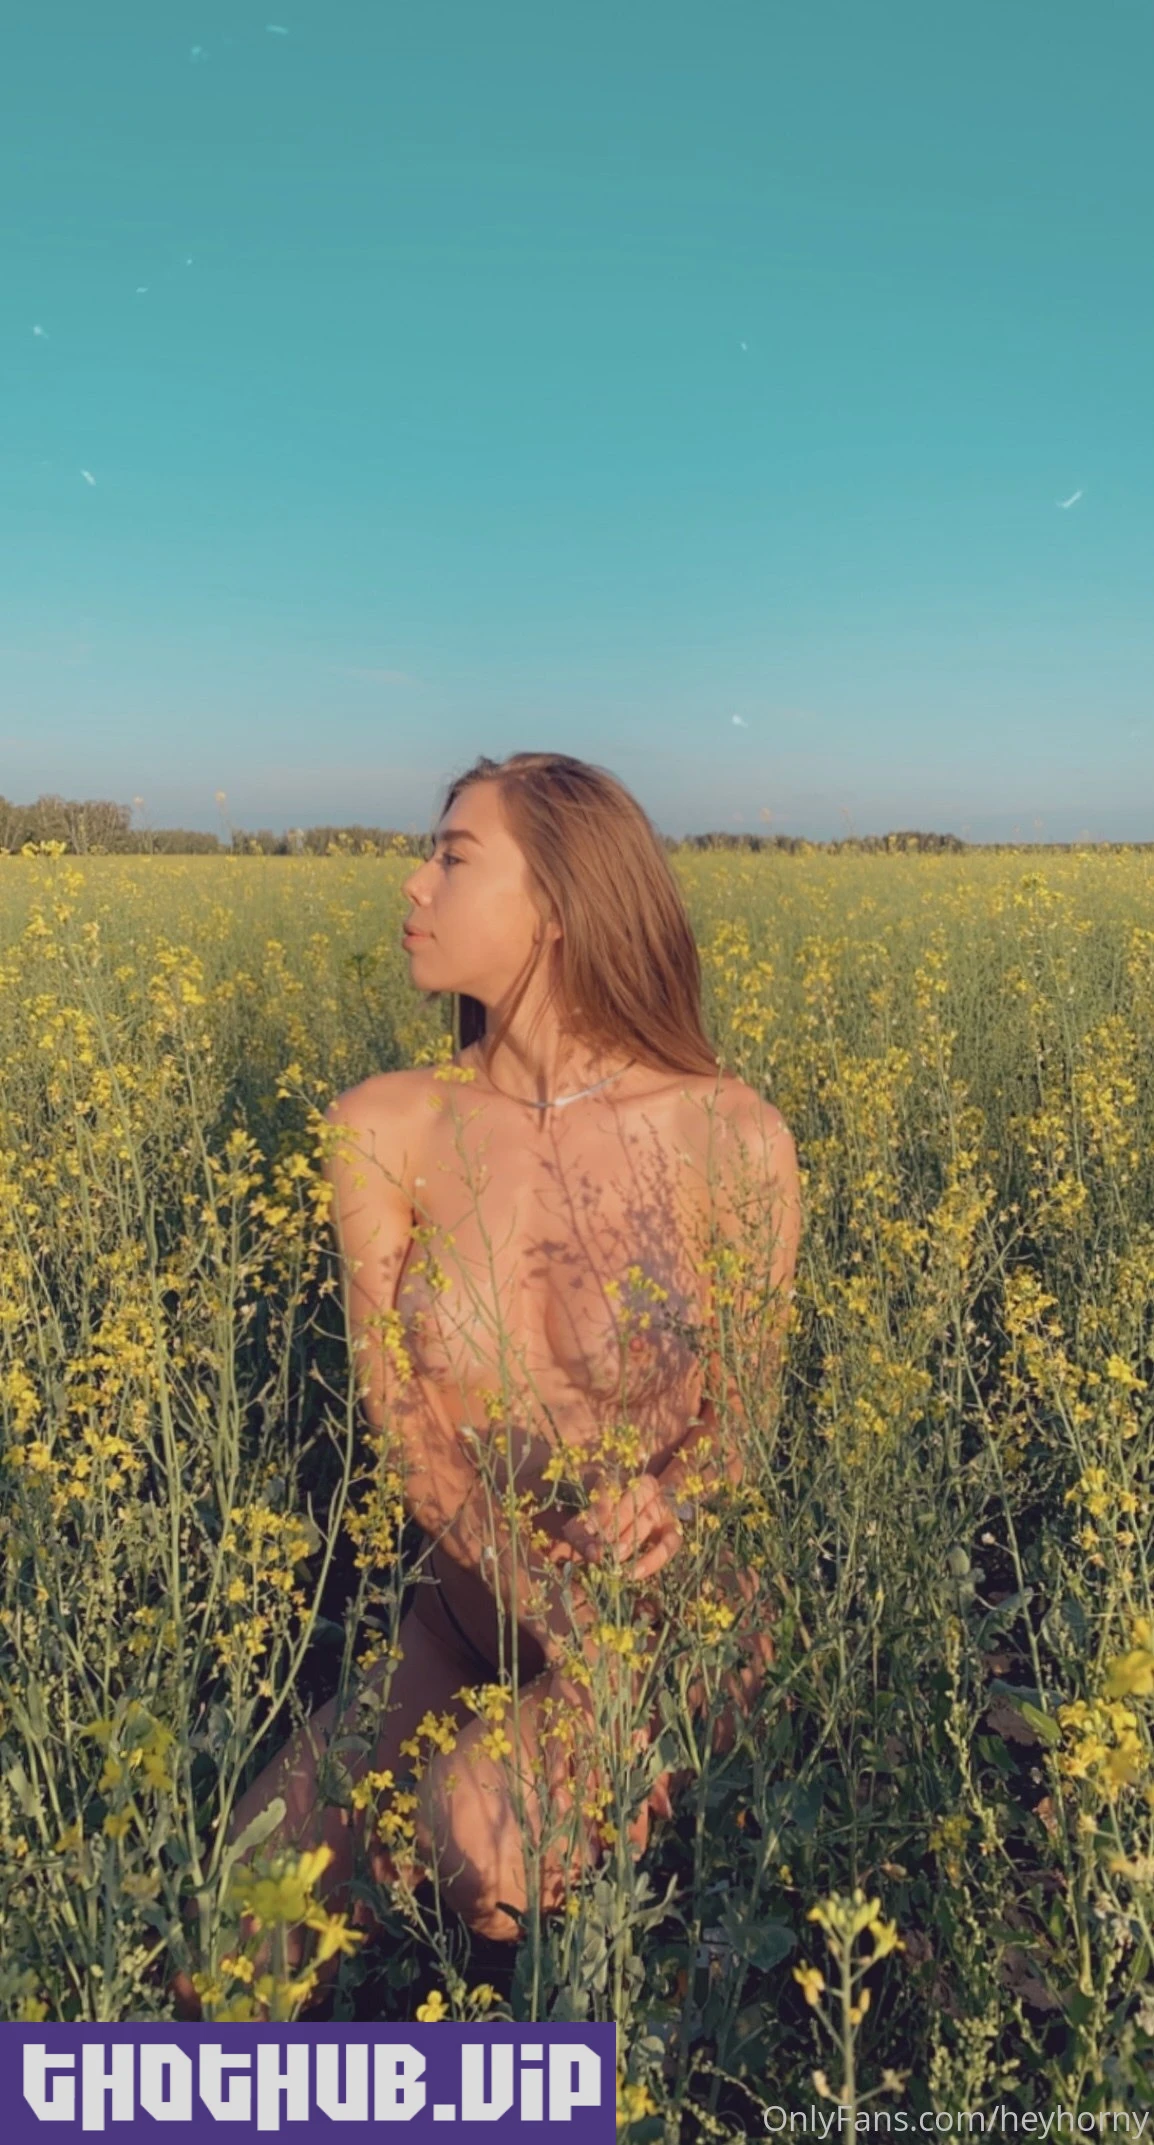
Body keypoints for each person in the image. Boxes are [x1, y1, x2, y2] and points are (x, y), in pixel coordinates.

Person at [178, 750, 802, 2003]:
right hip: (465, 1616)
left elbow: (741, 1428)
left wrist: (667, 1507)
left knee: (479, 1835)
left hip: (658, 1624)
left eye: (452, 856)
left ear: (558, 903)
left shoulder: (731, 1133)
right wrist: (529, 1596)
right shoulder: (382, 1125)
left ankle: (568, 2008)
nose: (412, 883)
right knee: (224, 1945)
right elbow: (400, 1424)